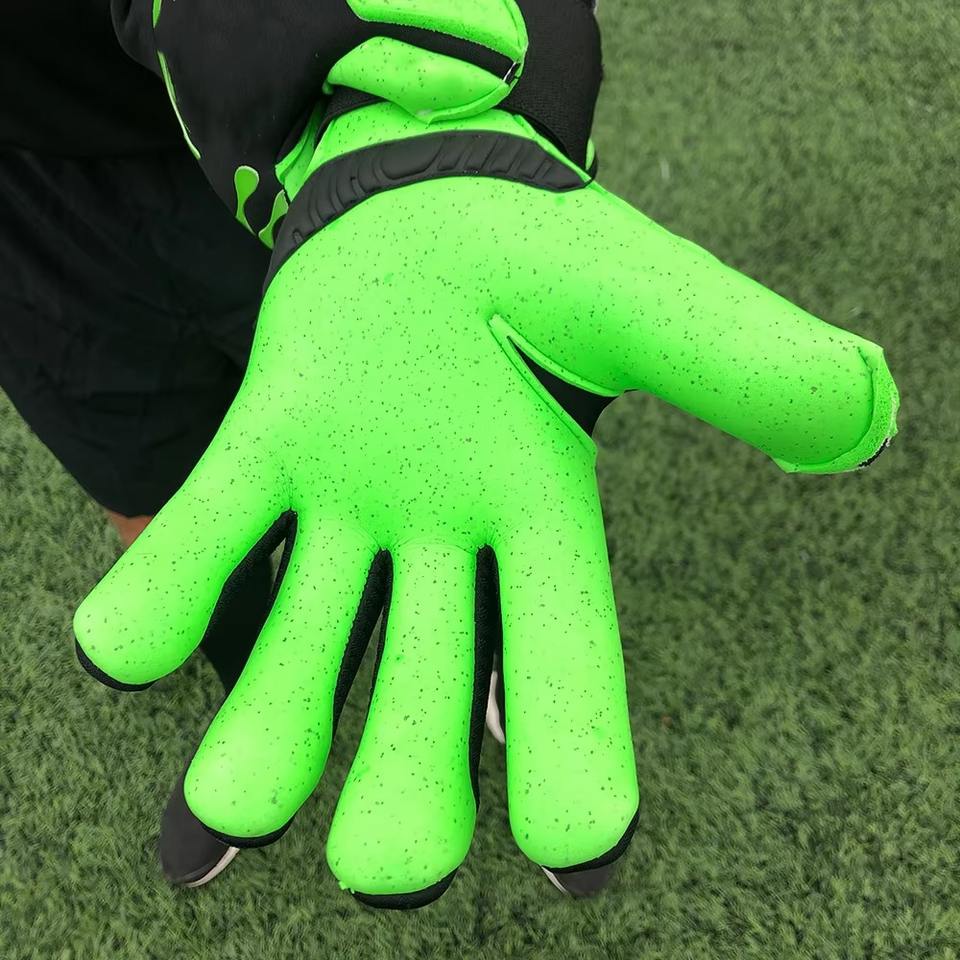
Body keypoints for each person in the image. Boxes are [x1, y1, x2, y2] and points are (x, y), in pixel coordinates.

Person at [0, 1, 276, 887]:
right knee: (152, 490)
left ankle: (497, 648)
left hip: (252, 98)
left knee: (415, 410)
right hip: (19, 195)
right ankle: (268, 697)